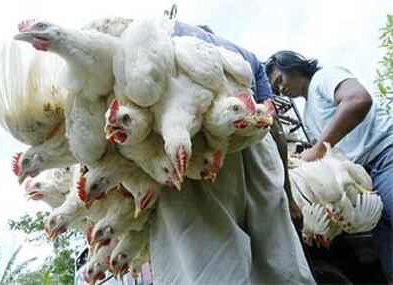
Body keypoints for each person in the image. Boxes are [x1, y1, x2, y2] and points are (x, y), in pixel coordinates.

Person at [149, 25, 316, 284]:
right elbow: (276, 128)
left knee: (212, 263)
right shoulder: (246, 56)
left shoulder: (163, 33)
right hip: (253, 140)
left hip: (192, 148)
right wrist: (289, 196)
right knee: (280, 256)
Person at [265, 50, 393, 283]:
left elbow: (358, 100)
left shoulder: (324, 78)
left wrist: (318, 149)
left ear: (293, 66)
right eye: (274, 89)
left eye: (280, 81)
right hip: (371, 178)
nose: (280, 89)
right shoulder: (308, 115)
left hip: (386, 156)